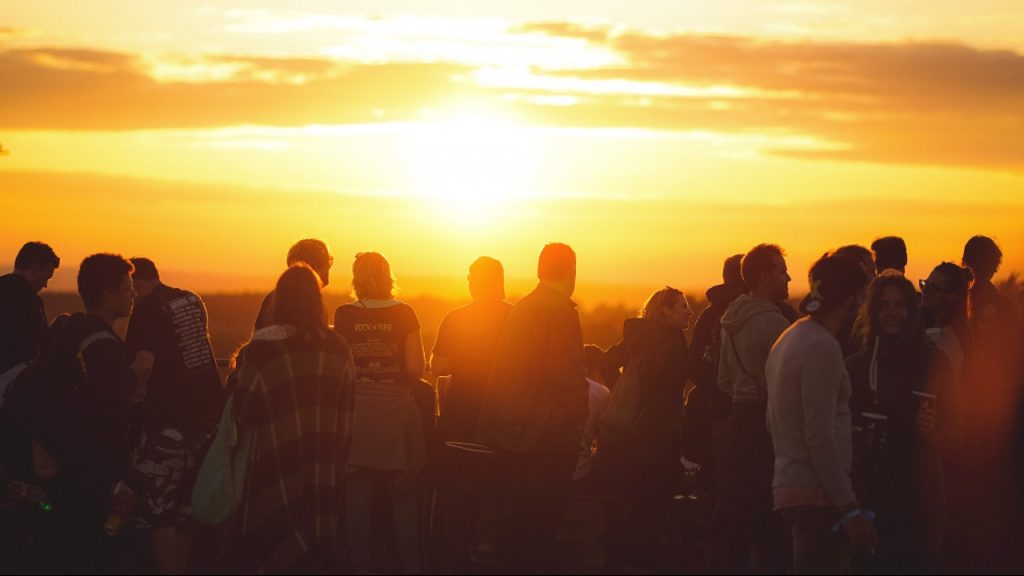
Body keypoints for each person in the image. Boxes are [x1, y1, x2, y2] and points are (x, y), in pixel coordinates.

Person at [5, 254, 136, 571]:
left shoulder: (67, 334)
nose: (133, 295)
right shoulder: (104, 348)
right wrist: (117, 483)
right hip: (90, 486)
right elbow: (108, 421)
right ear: (108, 294)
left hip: (60, 481)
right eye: (127, 287)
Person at [234, 264, 355, 573]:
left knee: (274, 546)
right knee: (318, 554)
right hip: (324, 468)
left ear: (281, 300)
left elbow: (244, 411)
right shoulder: (339, 349)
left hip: (274, 467)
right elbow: (347, 413)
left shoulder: (262, 348)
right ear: (318, 301)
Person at [476, 243, 588, 572]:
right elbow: (566, 373)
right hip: (546, 436)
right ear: (571, 271)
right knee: (542, 523)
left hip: (514, 432)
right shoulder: (558, 311)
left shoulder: (524, 306)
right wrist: (580, 420)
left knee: (517, 522)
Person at [766, 253, 876, 574]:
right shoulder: (822, 347)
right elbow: (819, 436)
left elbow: (773, 421)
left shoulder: (788, 340)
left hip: (789, 487)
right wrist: (849, 508)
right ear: (852, 299)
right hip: (819, 498)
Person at [845, 271, 960, 571]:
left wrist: (936, 433)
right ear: (873, 311)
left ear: (911, 310)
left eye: (900, 305)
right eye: (884, 305)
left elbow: (959, 431)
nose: (892, 313)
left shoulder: (935, 361)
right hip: (870, 499)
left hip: (920, 498)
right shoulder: (857, 367)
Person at [122, 257, 225, 573]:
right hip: (204, 421)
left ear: (136, 283)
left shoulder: (148, 307)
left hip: (167, 422)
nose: (129, 296)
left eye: (129, 288)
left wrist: (128, 398)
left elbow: (144, 364)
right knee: (185, 511)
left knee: (157, 510)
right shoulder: (190, 300)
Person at [333, 252, 426, 574]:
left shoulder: (343, 315)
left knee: (357, 497)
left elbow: (339, 369)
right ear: (388, 276)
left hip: (358, 412)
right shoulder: (405, 314)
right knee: (404, 494)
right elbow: (416, 368)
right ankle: (411, 565)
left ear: (357, 278)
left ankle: (359, 566)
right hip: (397, 410)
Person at [596, 286, 690, 569]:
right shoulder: (671, 342)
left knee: (632, 506)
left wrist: (627, 398)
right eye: (682, 306)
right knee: (652, 510)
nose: (689, 311)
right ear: (666, 310)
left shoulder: (639, 337)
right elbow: (665, 395)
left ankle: (621, 563)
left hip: (630, 437)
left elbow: (606, 362)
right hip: (657, 439)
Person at [713, 243, 792, 573]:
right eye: (781, 270)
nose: (788, 277)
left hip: (739, 420)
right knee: (769, 511)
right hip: (766, 421)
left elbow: (724, 380)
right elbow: (787, 385)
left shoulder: (729, 320)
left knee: (740, 508)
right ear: (763, 277)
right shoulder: (774, 325)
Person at [0, 242, 60, 570]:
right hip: (15, 396)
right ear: (34, 268)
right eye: (46, 275)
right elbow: (38, 347)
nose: (47, 283)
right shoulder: (24, 299)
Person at [431, 256, 512, 444]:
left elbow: (437, 368)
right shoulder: (515, 317)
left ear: (471, 282)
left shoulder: (454, 318)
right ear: (500, 282)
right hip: (504, 414)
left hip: (462, 411)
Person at [684, 254, 745, 493]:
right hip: (738, 411)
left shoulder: (709, 315)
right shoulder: (767, 314)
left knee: (711, 479)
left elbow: (691, 363)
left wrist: (711, 389)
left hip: (708, 409)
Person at [0, 241, 60, 377]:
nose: (45, 285)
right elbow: (35, 347)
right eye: (46, 277)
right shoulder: (29, 300)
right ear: (34, 269)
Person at [252, 239, 333, 332]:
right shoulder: (312, 302)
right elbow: (315, 340)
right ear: (319, 265)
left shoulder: (272, 297)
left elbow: (255, 339)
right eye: (328, 262)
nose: (329, 266)